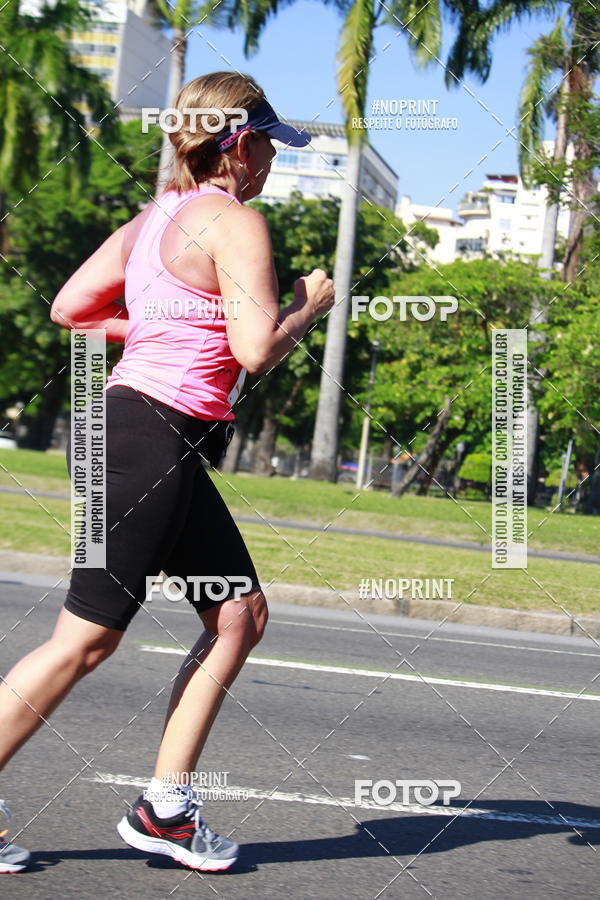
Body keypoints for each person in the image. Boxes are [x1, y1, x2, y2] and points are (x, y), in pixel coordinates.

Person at [0, 70, 334, 873]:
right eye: (271, 147)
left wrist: (158, 318)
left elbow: (70, 310)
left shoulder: (149, 222)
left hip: (148, 438)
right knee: (83, 642)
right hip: (145, 441)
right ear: (243, 143)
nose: (273, 165)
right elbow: (256, 352)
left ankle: (167, 809)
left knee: (238, 614)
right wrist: (307, 309)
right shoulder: (236, 222)